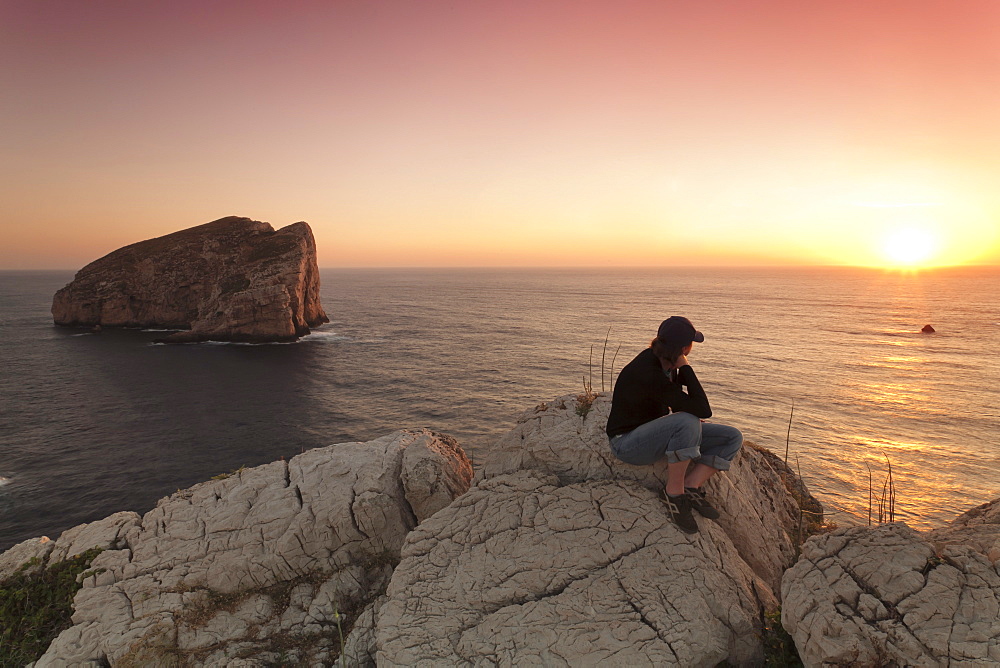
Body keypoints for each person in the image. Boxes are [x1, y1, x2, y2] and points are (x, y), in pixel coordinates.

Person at [605, 316, 743, 533]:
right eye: (691, 344)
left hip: (654, 433)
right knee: (688, 420)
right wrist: (687, 369)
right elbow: (702, 409)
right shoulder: (649, 371)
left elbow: (686, 406)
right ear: (683, 348)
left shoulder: (666, 364)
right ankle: (674, 494)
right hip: (627, 444)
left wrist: (687, 416)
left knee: (732, 437)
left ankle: (691, 486)